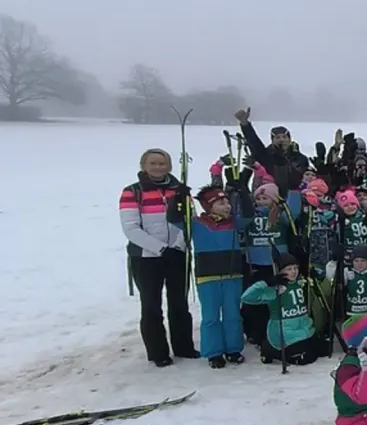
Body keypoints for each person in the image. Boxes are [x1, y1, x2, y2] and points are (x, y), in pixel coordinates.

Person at [119, 148, 198, 367]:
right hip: (146, 258)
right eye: (153, 163)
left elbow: (190, 220)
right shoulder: (132, 192)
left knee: (179, 303)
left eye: (162, 163)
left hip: (178, 254)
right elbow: (131, 228)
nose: (158, 167)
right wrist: (161, 249)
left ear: (169, 166)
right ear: (144, 166)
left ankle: (184, 346)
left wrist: (179, 244)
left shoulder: (179, 190)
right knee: (151, 306)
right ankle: (158, 352)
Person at [169, 186, 246, 368]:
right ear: (208, 206)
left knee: (233, 314)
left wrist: (242, 191)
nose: (227, 206)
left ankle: (233, 349)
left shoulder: (235, 222)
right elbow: (173, 218)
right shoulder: (196, 223)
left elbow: (249, 215)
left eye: (227, 202)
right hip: (207, 277)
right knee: (211, 316)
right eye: (221, 203)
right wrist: (177, 199)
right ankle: (214, 352)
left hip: (232, 275)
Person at [240, 253, 319, 365]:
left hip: (305, 330)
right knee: (305, 357)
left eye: (295, 268)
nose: (293, 272)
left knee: (319, 350)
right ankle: (271, 350)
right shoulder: (276, 288)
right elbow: (246, 297)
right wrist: (266, 283)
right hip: (286, 334)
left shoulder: (300, 284)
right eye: (289, 269)